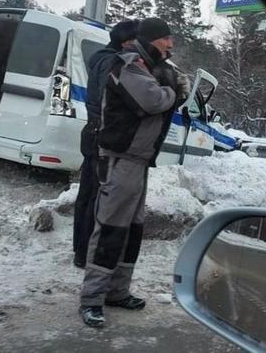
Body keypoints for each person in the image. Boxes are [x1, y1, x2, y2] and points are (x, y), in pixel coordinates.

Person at [79, 18, 190, 327]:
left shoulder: (149, 66)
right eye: (167, 39)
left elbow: (157, 95)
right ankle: (91, 299)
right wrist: (175, 92)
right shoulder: (127, 65)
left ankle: (117, 291)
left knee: (131, 230)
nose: (171, 45)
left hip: (138, 161)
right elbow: (153, 100)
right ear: (153, 39)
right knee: (111, 228)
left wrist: (169, 86)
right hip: (121, 159)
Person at [73, 19, 139, 268]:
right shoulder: (113, 63)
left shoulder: (101, 59)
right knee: (95, 199)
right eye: (137, 41)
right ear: (126, 43)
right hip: (102, 136)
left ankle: (81, 252)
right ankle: (86, 254)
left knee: (87, 196)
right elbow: (108, 101)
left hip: (92, 133)